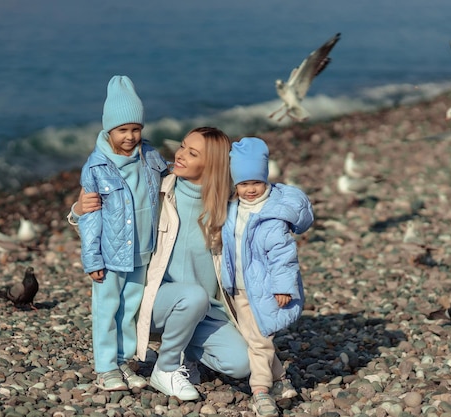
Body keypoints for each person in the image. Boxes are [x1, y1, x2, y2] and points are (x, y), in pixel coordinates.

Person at [70, 127, 250, 401]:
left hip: (203, 312)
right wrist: (78, 211)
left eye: (192, 153)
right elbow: (114, 228)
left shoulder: (227, 207)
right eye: (182, 147)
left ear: (211, 163)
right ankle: (165, 369)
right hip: (152, 302)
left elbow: (269, 210)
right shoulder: (157, 190)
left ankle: (182, 349)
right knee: (192, 296)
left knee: (241, 364)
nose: (180, 155)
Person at [71, 75, 169, 391]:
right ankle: (105, 368)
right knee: (106, 310)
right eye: (122, 130)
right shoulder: (97, 167)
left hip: (143, 249)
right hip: (110, 254)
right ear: (108, 130)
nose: (130, 136)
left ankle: (125, 362)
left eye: (136, 129)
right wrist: (92, 258)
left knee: (130, 309)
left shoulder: (151, 157)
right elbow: (89, 217)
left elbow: (171, 186)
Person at [220, 137, 314, 417]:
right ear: (235, 185)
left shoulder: (271, 217)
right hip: (236, 288)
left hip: (264, 289)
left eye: (256, 183)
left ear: (266, 181)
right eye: (244, 184)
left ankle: (260, 390)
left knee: (259, 338)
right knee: (254, 337)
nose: (250, 189)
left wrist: (283, 287)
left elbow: (284, 257)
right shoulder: (233, 211)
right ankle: (281, 380)